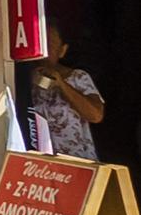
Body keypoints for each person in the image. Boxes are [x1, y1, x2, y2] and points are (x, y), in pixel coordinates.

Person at [26, 26, 105, 161]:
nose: (45, 51)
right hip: (39, 165)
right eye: (41, 44)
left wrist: (61, 84)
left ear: (62, 50)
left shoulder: (78, 77)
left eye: (50, 44)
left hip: (77, 162)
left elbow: (96, 115)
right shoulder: (23, 79)